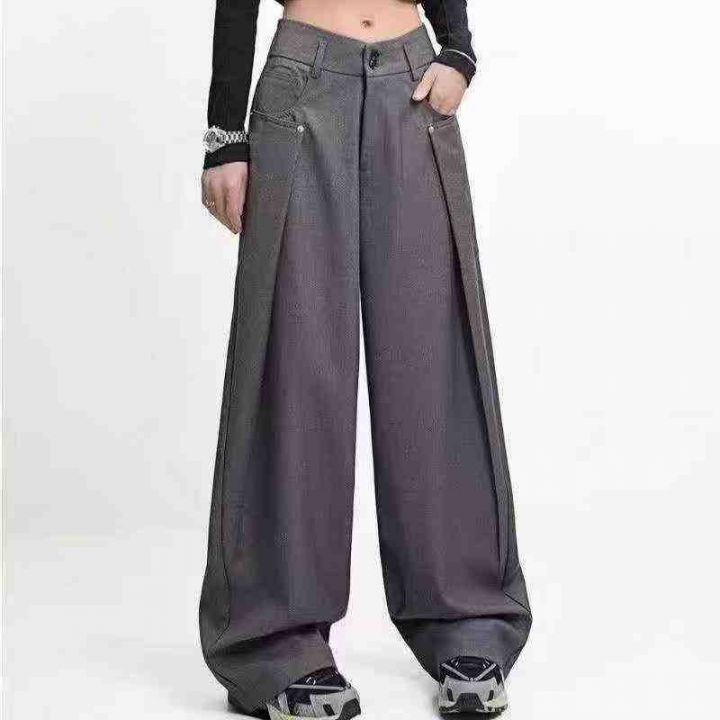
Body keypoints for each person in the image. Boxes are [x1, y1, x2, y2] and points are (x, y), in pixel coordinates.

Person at [199, 1, 531, 717]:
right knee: (293, 363)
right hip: (301, 82)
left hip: (412, 83)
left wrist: (459, 50)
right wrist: (225, 137)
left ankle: (466, 618)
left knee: (433, 354)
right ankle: (276, 641)